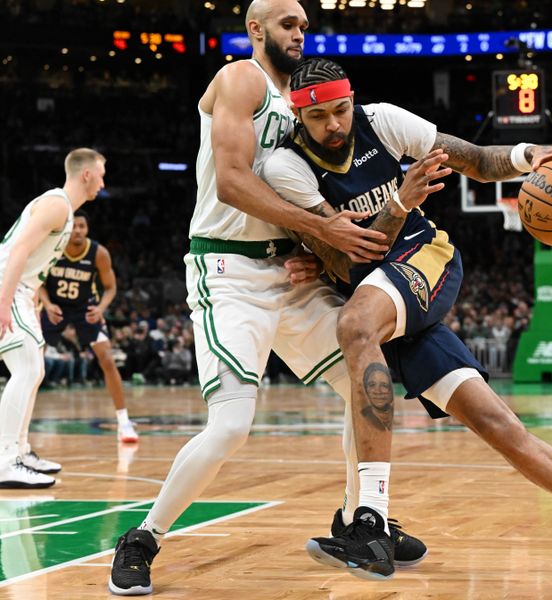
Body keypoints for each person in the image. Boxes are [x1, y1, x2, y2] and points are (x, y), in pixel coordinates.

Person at [262, 57, 552, 590]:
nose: (335, 125)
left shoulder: (381, 122)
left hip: (424, 260)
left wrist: (530, 154)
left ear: (351, 100)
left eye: (341, 110)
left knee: (354, 324)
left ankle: (369, 523)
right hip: (377, 292)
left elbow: (472, 158)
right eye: (321, 118)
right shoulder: (285, 167)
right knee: (503, 429)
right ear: (298, 115)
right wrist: (400, 200)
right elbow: (344, 262)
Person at [107, 0, 392, 594]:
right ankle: (143, 537)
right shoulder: (241, 78)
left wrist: (315, 243)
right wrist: (320, 229)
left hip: (288, 275)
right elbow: (234, 181)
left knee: (364, 382)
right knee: (232, 424)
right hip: (228, 273)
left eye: (304, 25)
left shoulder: (302, 107)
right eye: (288, 23)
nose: (300, 33)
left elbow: (304, 195)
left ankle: (352, 521)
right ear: (256, 29)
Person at [0, 147, 106, 488]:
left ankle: (20, 451)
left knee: (36, 369)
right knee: (27, 368)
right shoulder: (57, 204)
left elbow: (36, 262)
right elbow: (18, 251)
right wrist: (4, 304)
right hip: (5, 284)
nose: (103, 183)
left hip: (20, 289)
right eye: (101, 174)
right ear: (86, 174)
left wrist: (34, 296)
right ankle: (4, 461)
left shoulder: (64, 210)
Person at [39, 209, 139, 442]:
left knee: (107, 360)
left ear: (87, 228)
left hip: (86, 308)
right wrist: (46, 304)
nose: (77, 230)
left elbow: (111, 287)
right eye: (73, 225)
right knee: (34, 364)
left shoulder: (99, 253)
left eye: (82, 226)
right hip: (56, 308)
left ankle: (123, 422)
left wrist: (101, 309)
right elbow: (39, 281)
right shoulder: (52, 247)